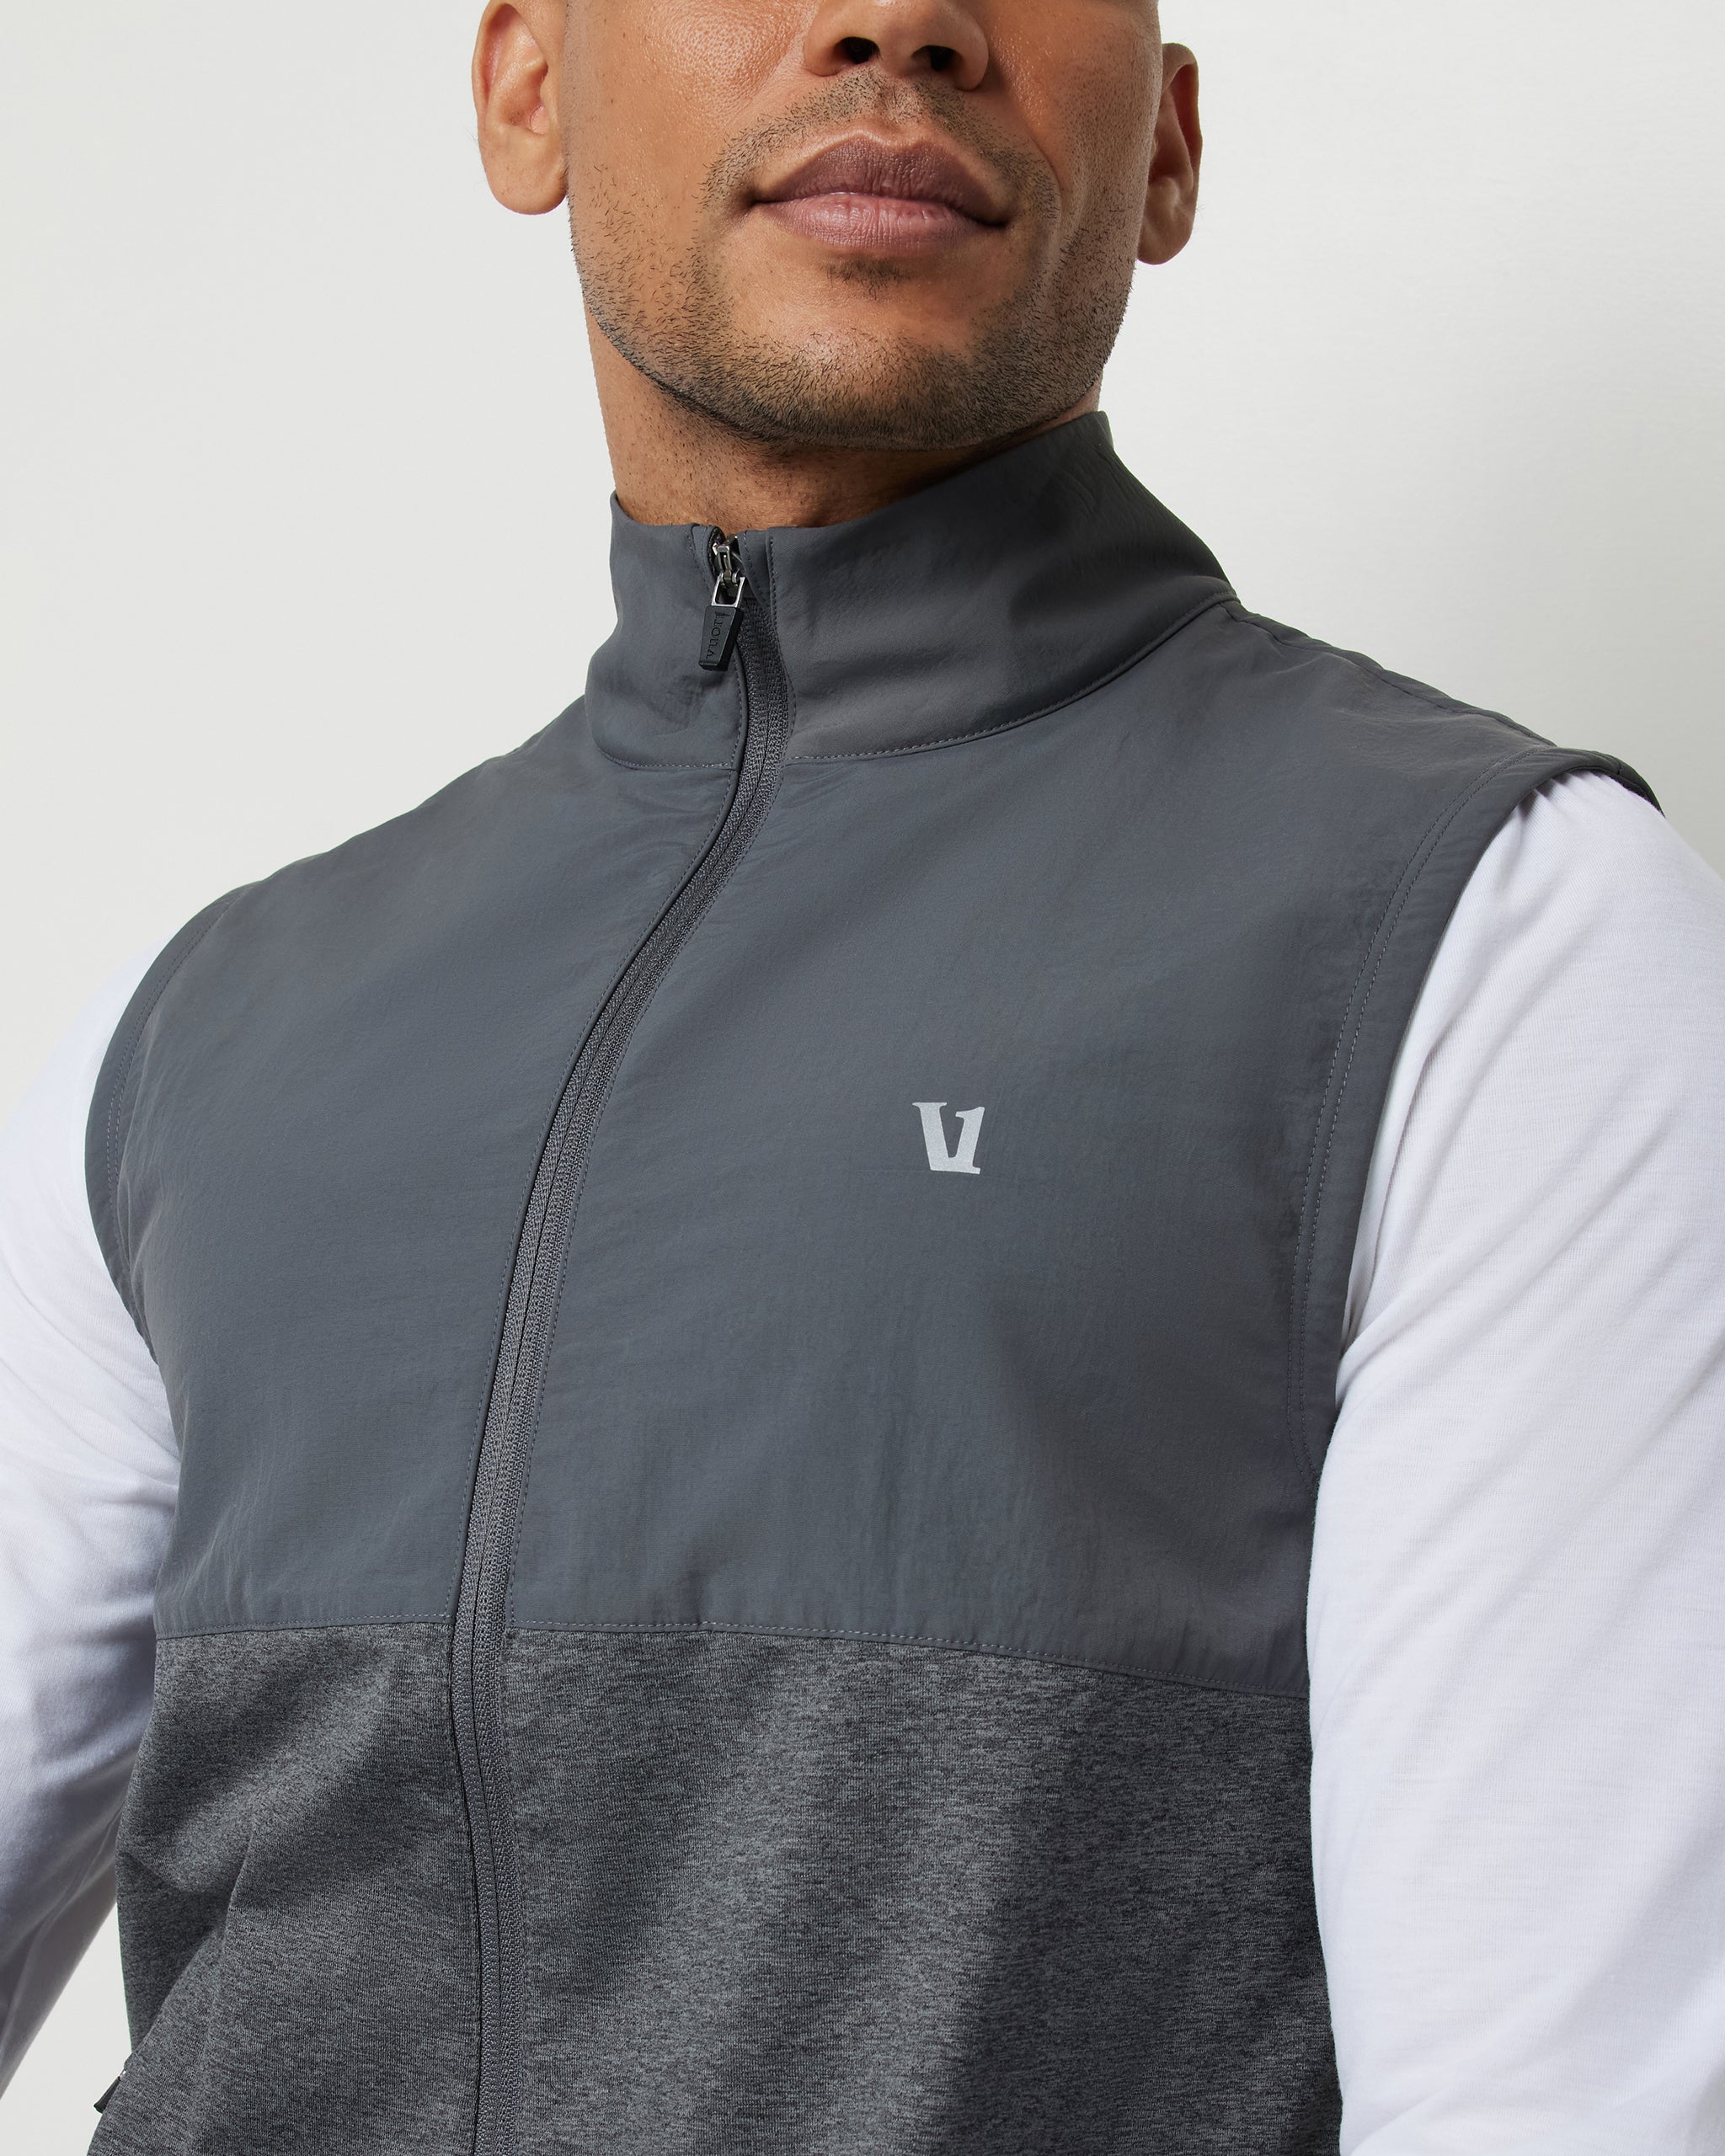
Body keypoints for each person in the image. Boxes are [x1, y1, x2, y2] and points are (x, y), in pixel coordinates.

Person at [3, 2, 1723, 2148]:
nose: (895, 14)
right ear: (528, 89)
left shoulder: (1491, 935)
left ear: (1167, 145)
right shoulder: (202, 1038)